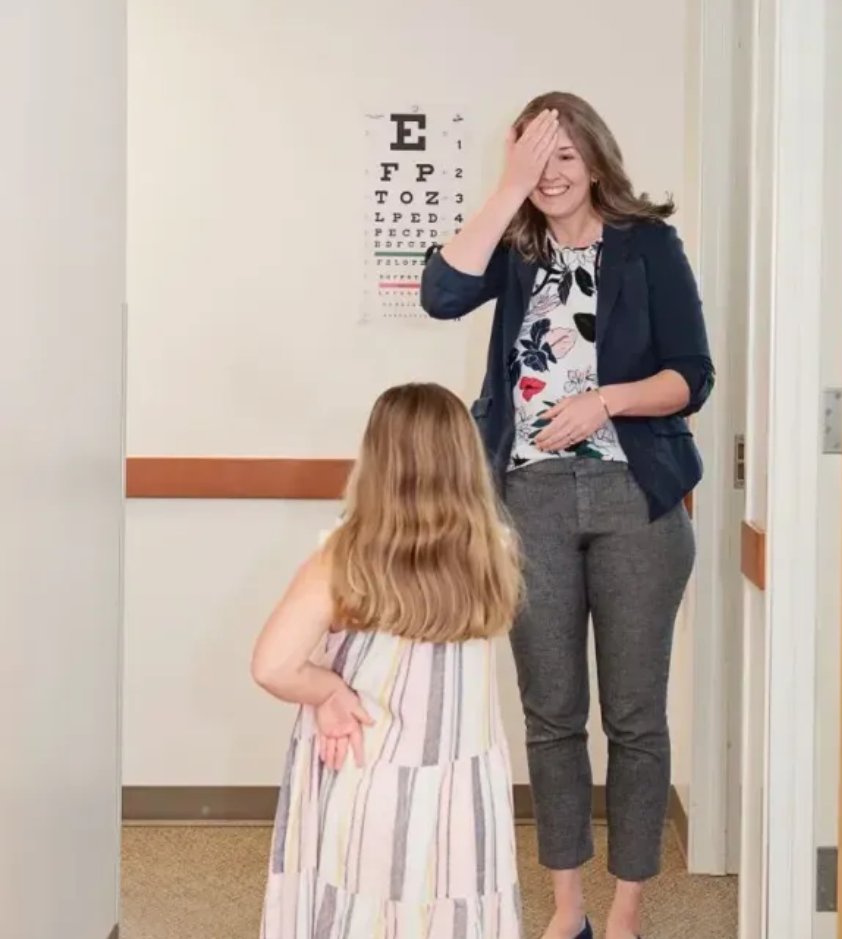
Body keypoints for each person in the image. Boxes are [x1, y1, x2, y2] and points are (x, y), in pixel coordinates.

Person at [421, 92, 714, 939]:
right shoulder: (512, 249)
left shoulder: (646, 246)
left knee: (634, 714)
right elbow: (441, 296)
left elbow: (689, 375)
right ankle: (567, 909)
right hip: (529, 498)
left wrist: (605, 401)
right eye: (531, 157)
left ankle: (623, 910)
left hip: (636, 498)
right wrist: (505, 190)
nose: (549, 175)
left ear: (594, 162)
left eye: (562, 157)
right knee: (551, 714)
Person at [250, 382, 525, 939]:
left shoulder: (344, 557)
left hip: (366, 776)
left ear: (375, 459)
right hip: (465, 795)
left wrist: (328, 692)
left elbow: (272, 665)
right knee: (458, 911)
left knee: (361, 911)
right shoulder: (493, 550)